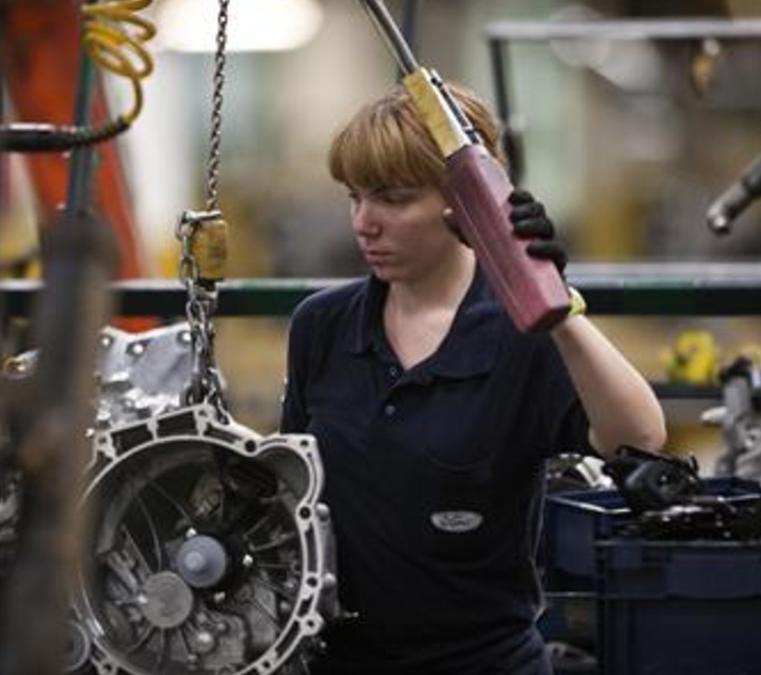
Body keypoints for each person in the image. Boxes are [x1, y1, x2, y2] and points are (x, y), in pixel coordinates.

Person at [280, 83, 666, 674]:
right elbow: (292, 495)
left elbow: (638, 437)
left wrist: (554, 302)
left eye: (393, 198)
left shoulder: (523, 334)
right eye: (354, 197)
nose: (364, 223)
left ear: (466, 201)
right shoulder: (322, 327)